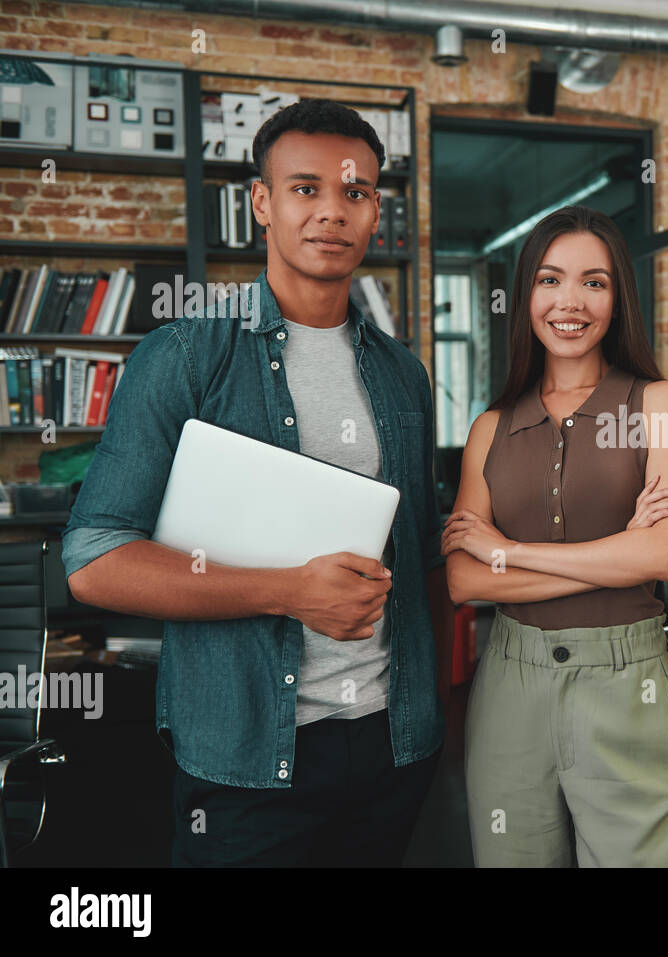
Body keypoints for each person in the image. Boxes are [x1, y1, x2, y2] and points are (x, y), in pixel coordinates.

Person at [62, 98, 445, 866]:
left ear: (377, 213)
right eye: (306, 189)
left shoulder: (405, 374)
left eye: (356, 192)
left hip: (390, 746)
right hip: (247, 757)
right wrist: (288, 590)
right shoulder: (184, 356)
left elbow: (420, 559)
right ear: (261, 204)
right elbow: (94, 559)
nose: (333, 212)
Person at [442, 205, 668, 867]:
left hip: (626, 682)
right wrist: (619, 555)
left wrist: (511, 552)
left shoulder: (659, 403)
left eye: (595, 282)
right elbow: (466, 580)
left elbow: (665, 553)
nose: (570, 301)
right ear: (526, 293)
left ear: (619, 298)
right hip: (509, 688)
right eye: (550, 280)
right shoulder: (490, 426)